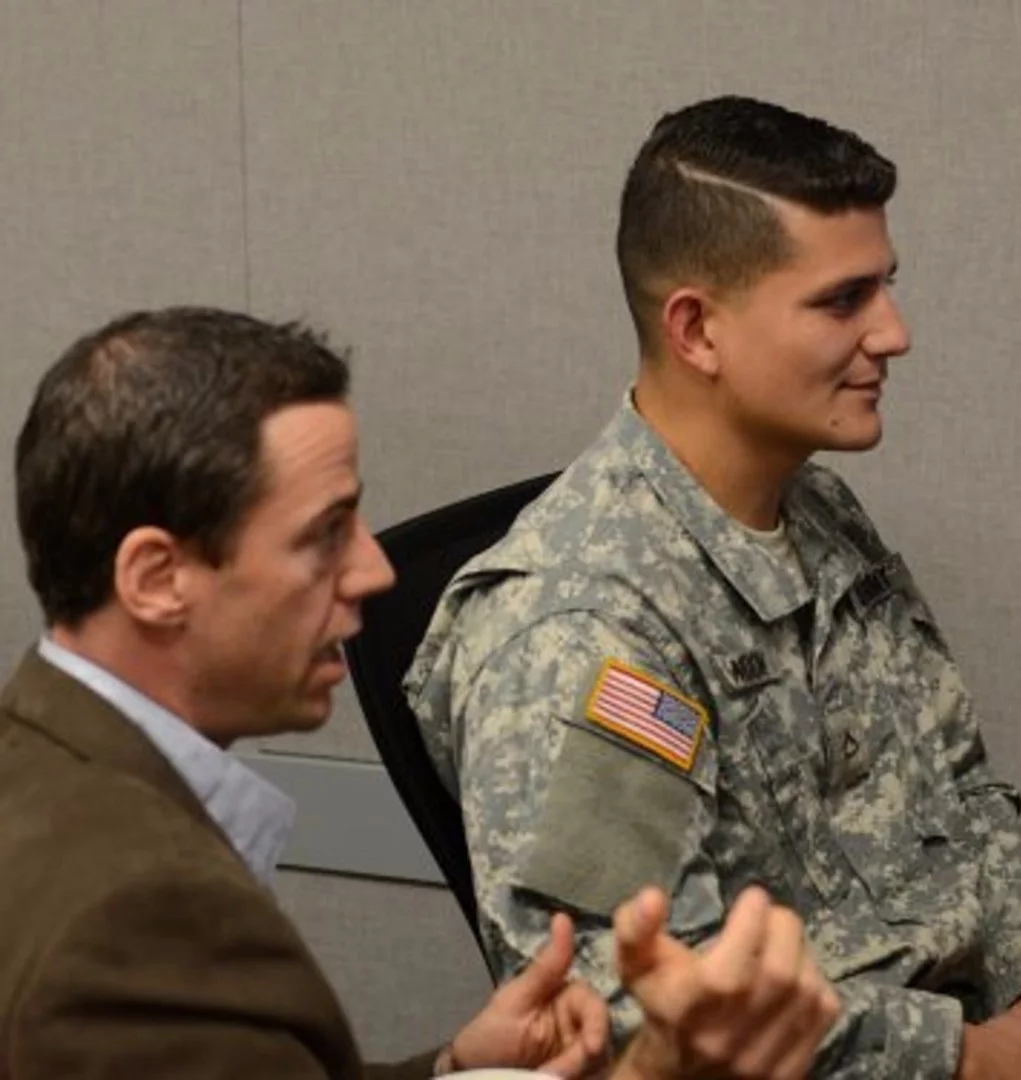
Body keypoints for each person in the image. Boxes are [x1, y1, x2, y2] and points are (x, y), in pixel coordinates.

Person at [407, 95, 1021, 1080]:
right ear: (696, 330)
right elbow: (631, 1018)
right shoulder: (578, 630)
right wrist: (974, 1058)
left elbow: (961, 792)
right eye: (842, 301)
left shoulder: (817, 512)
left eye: (885, 288)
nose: (894, 333)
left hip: (997, 1026)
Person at [0, 307, 839, 1079]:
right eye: (325, 534)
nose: (373, 571)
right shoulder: (135, 915)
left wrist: (450, 1069)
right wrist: (656, 1072)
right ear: (156, 579)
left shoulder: (37, 765)